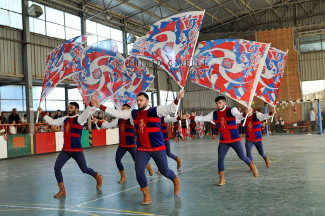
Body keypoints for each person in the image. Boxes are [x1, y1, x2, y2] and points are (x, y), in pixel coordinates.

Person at [91, 91, 184, 205]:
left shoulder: (156, 110)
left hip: (158, 148)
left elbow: (170, 109)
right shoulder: (133, 113)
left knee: (165, 171)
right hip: (142, 148)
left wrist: (177, 98)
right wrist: (100, 106)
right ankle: (146, 195)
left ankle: (175, 179)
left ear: (147, 101)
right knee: (139, 171)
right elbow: (118, 113)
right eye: (137, 101)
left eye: (141, 100)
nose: (139, 102)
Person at [186, 96, 258, 186]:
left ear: (224, 103)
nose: (218, 104)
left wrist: (245, 113)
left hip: (235, 139)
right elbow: (203, 118)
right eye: (217, 103)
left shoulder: (232, 110)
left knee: (242, 156)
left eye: (220, 103)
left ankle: (252, 165)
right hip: (224, 141)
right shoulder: (214, 114)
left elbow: (239, 116)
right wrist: (191, 117)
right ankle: (222, 179)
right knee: (220, 159)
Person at [38, 99, 103, 198]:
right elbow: (51, 122)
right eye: (69, 107)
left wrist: (90, 104)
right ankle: (62, 190)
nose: (69, 109)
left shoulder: (80, 119)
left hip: (77, 151)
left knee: (84, 169)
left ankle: (97, 176)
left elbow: (86, 112)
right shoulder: (64, 119)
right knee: (57, 168)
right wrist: (42, 112)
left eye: (71, 108)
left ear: (76, 110)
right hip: (66, 150)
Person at [95, 103, 154, 184]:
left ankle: (148, 166)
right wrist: (98, 121)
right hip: (122, 145)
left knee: (137, 160)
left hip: (131, 144)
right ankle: (123, 176)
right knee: (117, 160)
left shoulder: (131, 119)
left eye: (125, 108)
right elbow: (109, 125)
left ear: (129, 110)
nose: (123, 110)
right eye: (122, 108)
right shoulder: (118, 119)